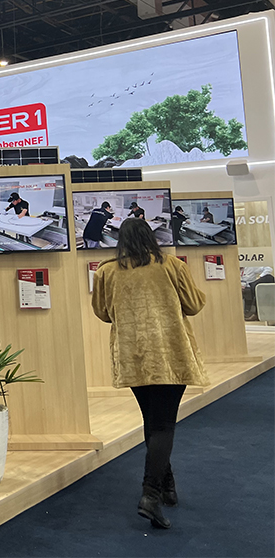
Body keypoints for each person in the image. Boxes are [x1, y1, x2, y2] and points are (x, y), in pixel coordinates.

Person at [92, 218, 208, 530]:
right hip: (171, 354)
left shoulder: (106, 271)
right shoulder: (172, 266)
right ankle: (151, 494)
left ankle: (167, 486)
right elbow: (194, 304)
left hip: (133, 356)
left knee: (152, 421)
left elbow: (102, 312)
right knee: (164, 424)